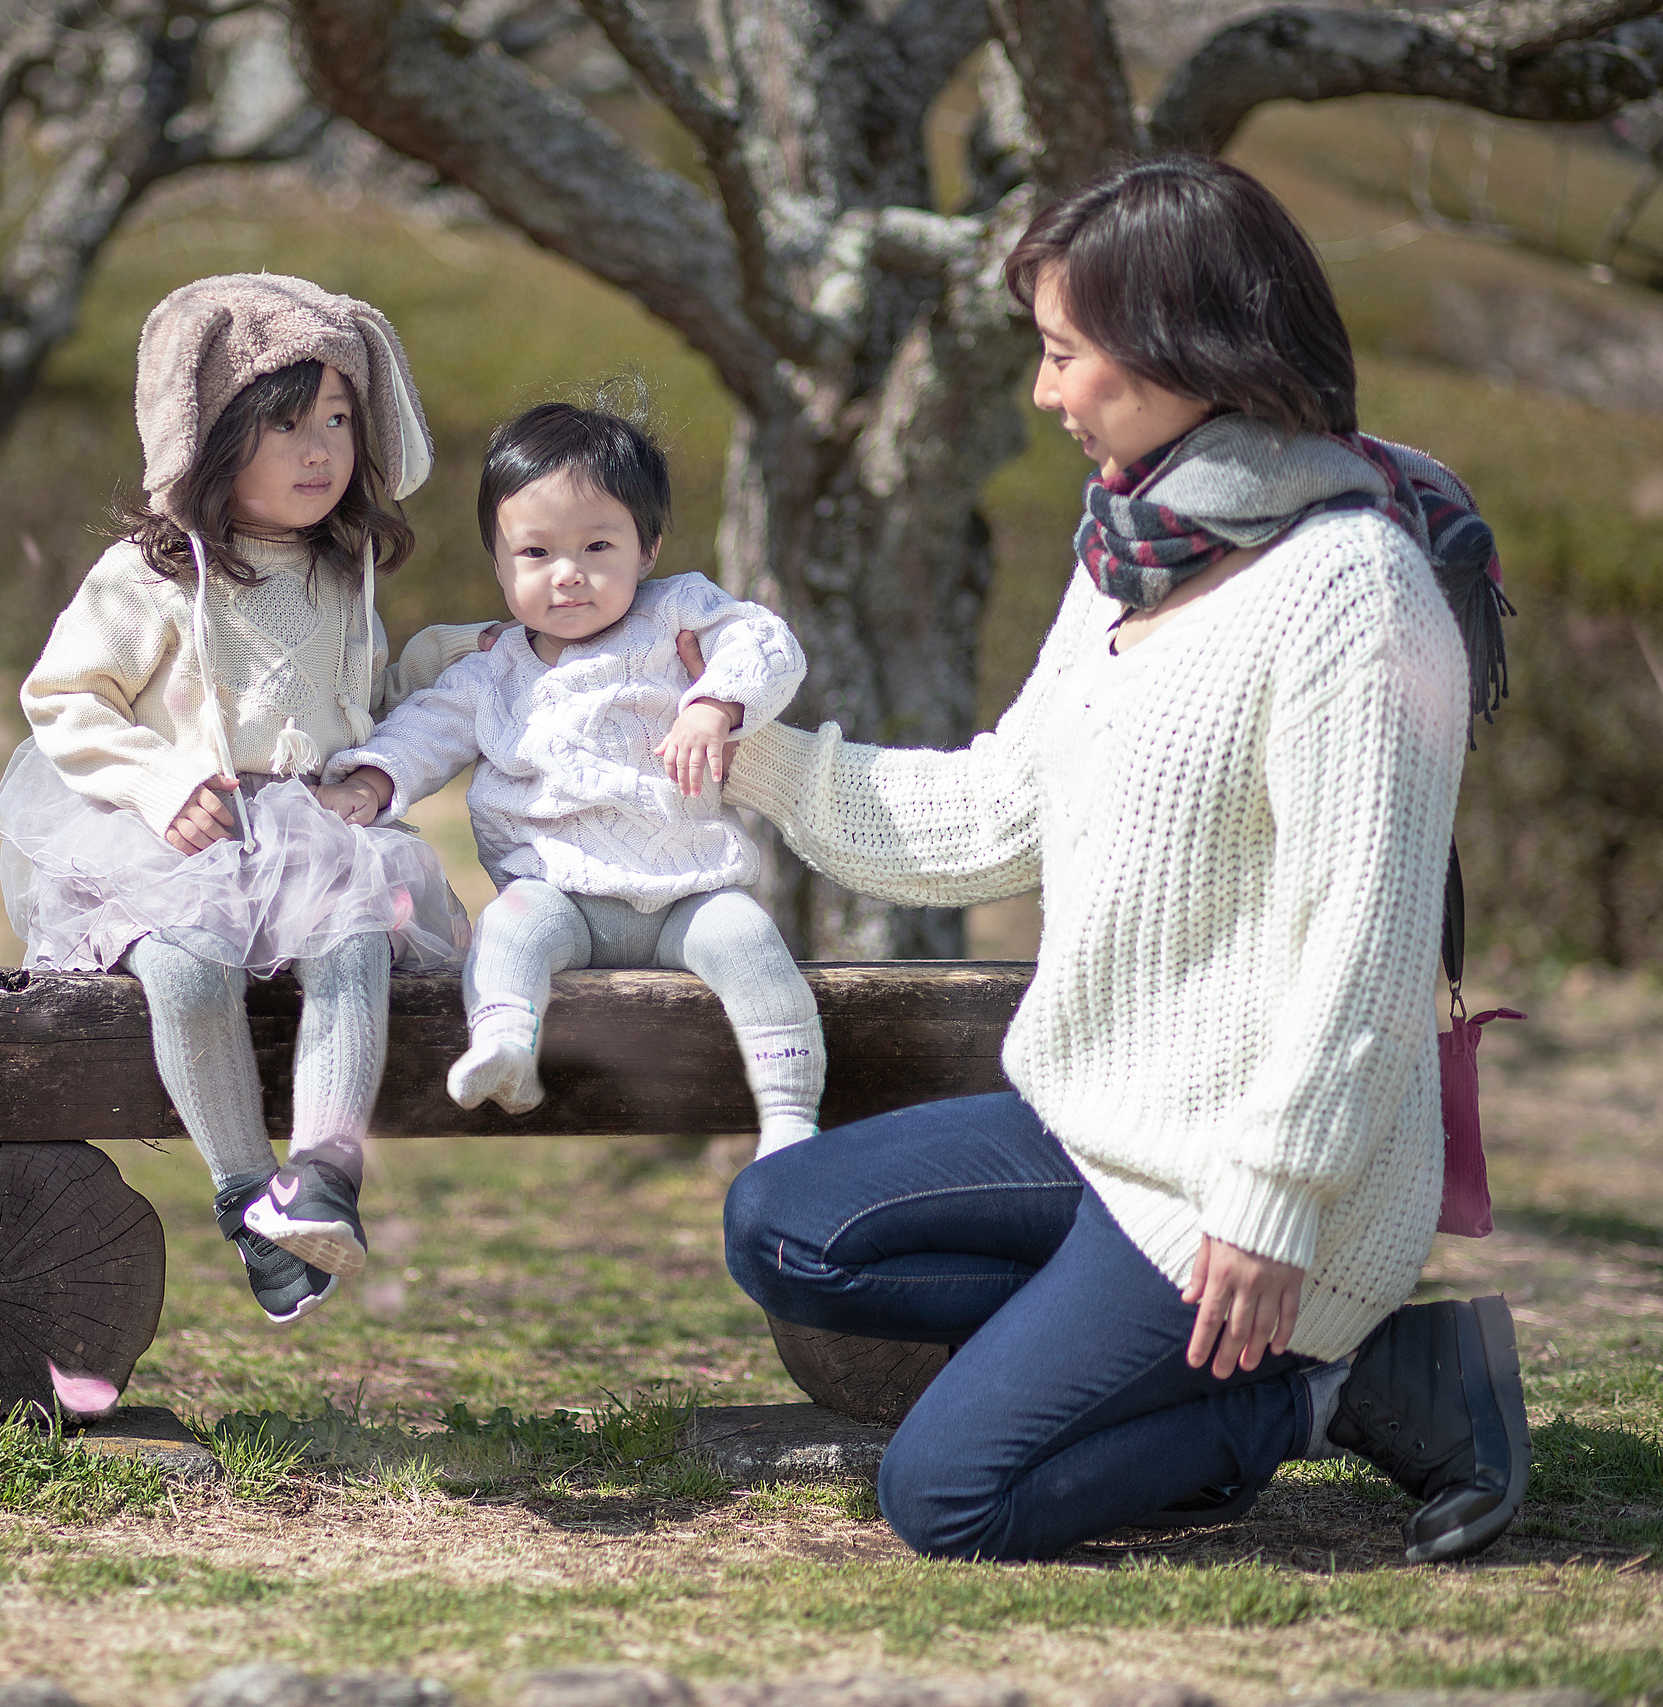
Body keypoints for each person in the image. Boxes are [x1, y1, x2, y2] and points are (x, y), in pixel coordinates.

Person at [714, 156, 1530, 1563]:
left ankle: (1333, 1386)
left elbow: (1370, 936)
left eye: (1064, 352)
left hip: (1254, 1176)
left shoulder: (1353, 587)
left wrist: (1271, 1202)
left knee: (947, 1497)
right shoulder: (1129, 555)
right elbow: (994, 807)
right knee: (784, 1224)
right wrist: (749, 757)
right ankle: (1133, 1346)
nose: (1046, 392)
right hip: (1096, 1123)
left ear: (1186, 348)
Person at [0, 274, 490, 1325]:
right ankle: (239, 1190)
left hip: (304, 833)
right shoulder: (149, 574)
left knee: (357, 936)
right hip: (173, 829)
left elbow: (352, 706)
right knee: (185, 964)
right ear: (210, 441)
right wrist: (162, 782)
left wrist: (459, 654)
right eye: (286, 427)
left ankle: (321, 1180)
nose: (320, 452)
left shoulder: (340, 568)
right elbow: (63, 699)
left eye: (340, 422)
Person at [323, 401, 827, 1159]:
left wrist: (714, 705)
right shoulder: (489, 673)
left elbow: (768, 641)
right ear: (498, 559)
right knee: (508, 926)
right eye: (535, 553)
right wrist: (372, 777)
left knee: (751, 939)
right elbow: (422, 729)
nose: (569, 576)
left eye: (597, 545)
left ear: (647, 547)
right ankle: (505, 1043)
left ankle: (789, 1112)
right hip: (558, 894)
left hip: (685, 891)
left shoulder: (675, 615)